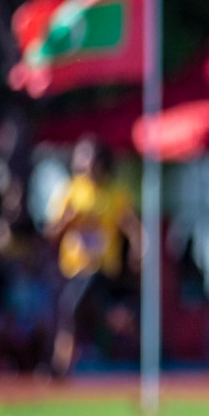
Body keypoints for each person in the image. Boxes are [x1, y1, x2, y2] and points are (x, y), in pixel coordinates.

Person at [46, 137, 143, 377]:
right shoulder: (70, 191)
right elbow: (51, 232)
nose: (84, 164)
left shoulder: (115, 194)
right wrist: (66, 223)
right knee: (78, 312)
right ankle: (122, 321)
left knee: (70, 307)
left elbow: (131, 225)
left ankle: (61, 364)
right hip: (73, 268)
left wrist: (138, 247)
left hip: (101, 268)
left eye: (88, 158)